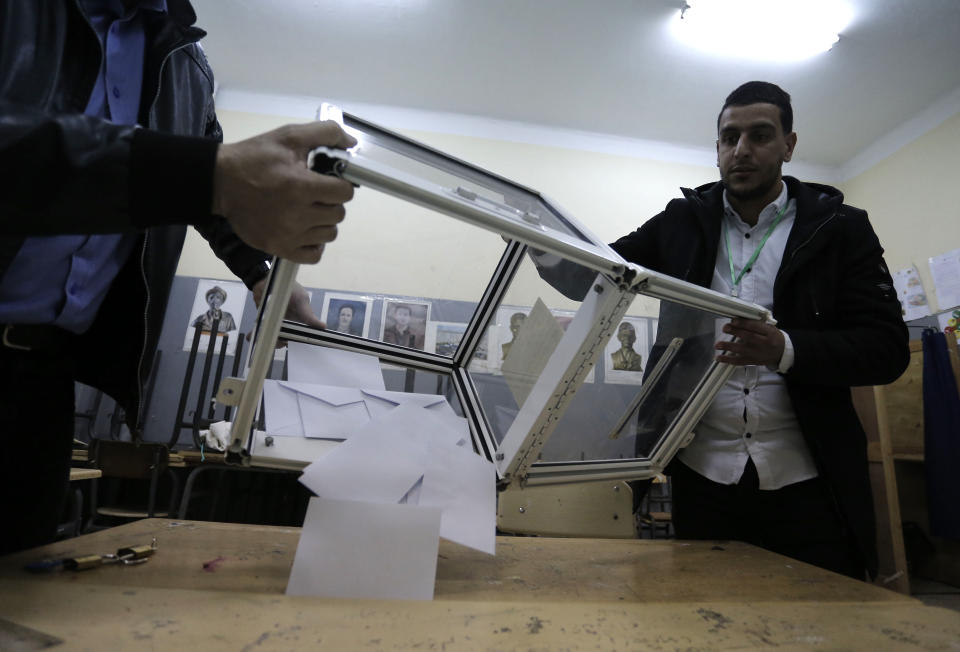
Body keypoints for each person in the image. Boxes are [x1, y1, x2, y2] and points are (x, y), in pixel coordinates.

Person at [0, 0, 357, 554]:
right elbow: (208, 176)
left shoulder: (186, 65)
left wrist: (261, 276)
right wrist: (207, 175)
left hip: (44, 377)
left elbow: (210, 187)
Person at [538, 81, 908, 580]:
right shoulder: (681, 223)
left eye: (760, 136)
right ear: (716, 149)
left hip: (810, 478)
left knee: (820, 620)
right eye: (729, 138)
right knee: (704, 619)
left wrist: (786, 348)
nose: (742, 151)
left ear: (788, 145)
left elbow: (886, 349)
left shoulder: (839, 228)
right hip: (702, 476)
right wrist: (534, 235)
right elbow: (599, 273)